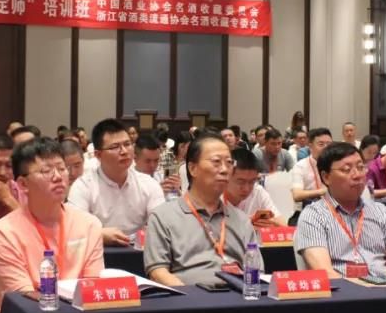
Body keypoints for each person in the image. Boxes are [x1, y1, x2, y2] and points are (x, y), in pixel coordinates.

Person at [0, 138, 104, 313]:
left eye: (61, 168)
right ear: (23, 184)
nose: (58, 177)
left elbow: (93, 287)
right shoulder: (5, 232)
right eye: (46, 171)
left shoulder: (89, 225)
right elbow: (23, 298)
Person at [144, 133, 261, 286]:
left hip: (237, 295)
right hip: (188, 297)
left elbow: (256, 269)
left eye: (229, 163)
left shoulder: (242, 220)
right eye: (216, 162)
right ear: (193, 168)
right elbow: (158, 272)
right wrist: (189, 296)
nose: (225, 170)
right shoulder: (163, 217)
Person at [295, 142, 386, 277]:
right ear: (326, 177)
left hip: (385, 286)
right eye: (346, 169)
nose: (357, 175)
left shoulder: (381, 212)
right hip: (342, 288)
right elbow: (325, 273)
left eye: (360, 168)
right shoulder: (313, 216)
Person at [68, 118, 164, 246]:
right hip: (96, 251)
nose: (124, 151)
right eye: (115, 147)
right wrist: (99, 234)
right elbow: (73, 230)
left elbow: (162, 226)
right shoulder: (83, 186)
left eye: (127, 144)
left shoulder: (149, 184)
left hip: (139, 252)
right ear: (98, 155)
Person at [224, 148, 285, 226]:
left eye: (252, 182)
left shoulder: (257, 191)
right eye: (241, 182)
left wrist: (273, 223)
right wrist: (248, 223)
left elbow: (283, 224)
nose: (246, 189)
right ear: (226, 177)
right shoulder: (215, 197)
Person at [291, 127, 333, 212]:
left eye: (329, 144)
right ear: (310, 146)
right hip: (308, 209)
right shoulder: (301, 166)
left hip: (333, 208)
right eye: (321, 144)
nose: (326, 148)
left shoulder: (336, 165)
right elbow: (297, 195)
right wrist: (323, 192)